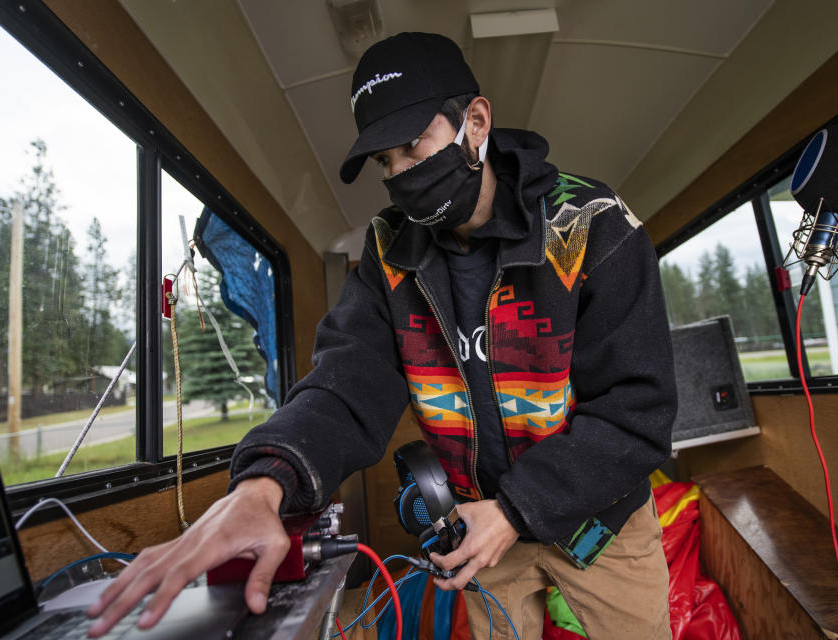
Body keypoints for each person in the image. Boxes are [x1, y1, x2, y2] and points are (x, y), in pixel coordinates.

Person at [87, 32, 676, 639]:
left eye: (411, 148)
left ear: (475, 122)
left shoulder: (591, 224)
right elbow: (348, 382)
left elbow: (639, 409)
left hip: (601, 524)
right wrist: (266, 483)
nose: (398, 175)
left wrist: (516, 509)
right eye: (383, 162)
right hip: (481, 531)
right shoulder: (387, 252)